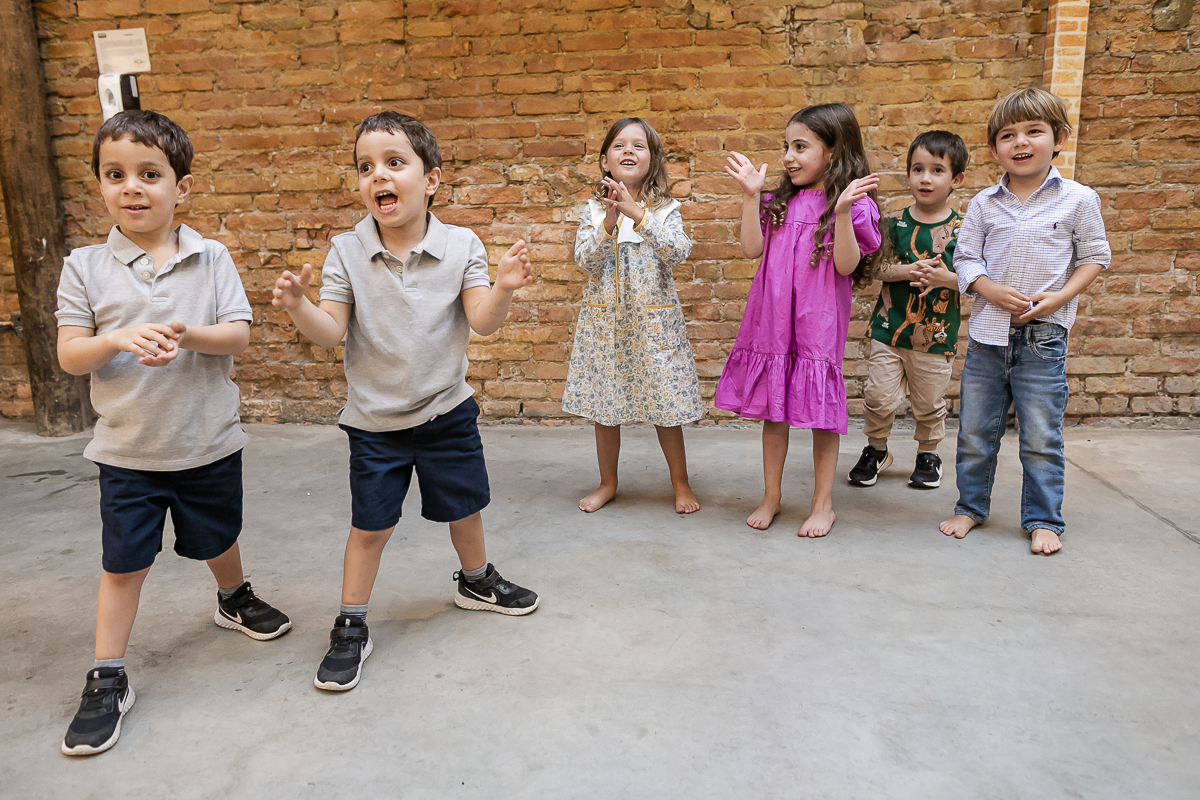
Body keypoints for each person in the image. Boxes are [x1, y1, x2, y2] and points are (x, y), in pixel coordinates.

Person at [271, 112, 538, 692]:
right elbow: (329, 331)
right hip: (375, 422)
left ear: (432, 179)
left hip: (446, 409)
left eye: (394, 163)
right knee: (370, 526)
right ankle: (351, 622)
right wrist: (298, 305)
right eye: (365, 167)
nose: (378, 176)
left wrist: (504, 290)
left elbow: (482, 323)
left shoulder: (461, 243)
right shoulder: (346, 250)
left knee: (464, 505)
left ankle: (475, 579)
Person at [55, 110, 290, 755]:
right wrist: (115, 339)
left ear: (181, 187)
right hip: (128, 451)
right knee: (123, 564)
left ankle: (233, 595)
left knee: (218, 535)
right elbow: (70, 354)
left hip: (206, 440)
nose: (132, 187)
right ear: (101, 186)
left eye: (149, 174)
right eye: (115, 175)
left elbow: (239, 334)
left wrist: (187, 335)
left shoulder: (211, 257)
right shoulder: (85, 267)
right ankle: (107, 675)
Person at [938, 88, 1110, 555]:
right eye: (1008, 135)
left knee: (1040, 437)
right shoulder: (983, 204)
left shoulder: (1078, 199)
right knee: (975, 433)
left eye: (1034, 131)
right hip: (988, 339)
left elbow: (1095, 258)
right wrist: (987, 288)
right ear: (994, 149)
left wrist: (1059, 298)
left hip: (1044, 340)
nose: (1021, 143)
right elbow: (965, 257)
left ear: (1059, 139)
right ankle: (970, 507)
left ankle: (1043, 519)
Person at [716, 103, 885, 537]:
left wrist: (843, 213)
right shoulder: (778, 203)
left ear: (833, 152)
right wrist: (750, 196)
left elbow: (847, 266)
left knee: (822, 414)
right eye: (786, 146)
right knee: (776, 411)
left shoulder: (851, 206)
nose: (789, 156)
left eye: (800, 146)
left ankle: (822, 503)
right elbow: (751, 249)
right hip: (772, 321)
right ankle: (772, 495)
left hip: (817, 323)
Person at [562, 117, 703, 514]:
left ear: (653, 160)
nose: (628, 151)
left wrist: (639, 214)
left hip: (654, 325)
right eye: (619, 145)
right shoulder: (592, 210)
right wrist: (610, 220)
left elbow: (677, 251)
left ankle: (680, 482)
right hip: (604, 326)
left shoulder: (666, 209)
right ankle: (608, 483)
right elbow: (585, 261)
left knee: (665, 406)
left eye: (639, 146)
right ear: (605, 160)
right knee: (606, 408)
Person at [849, 131, 968, 490]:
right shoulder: (893, 224)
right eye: (918, 169)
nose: (925, 178)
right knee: (878, 396)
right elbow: (872, 269)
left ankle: (928, 454)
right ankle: (876, 450)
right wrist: (907, 271)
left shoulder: (963, 229)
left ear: (956, 179)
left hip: (935, 336)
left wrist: (943, 278)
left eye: (936, 170)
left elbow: (973, 279)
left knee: (929, 401)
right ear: (908, 175)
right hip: (889, 329)